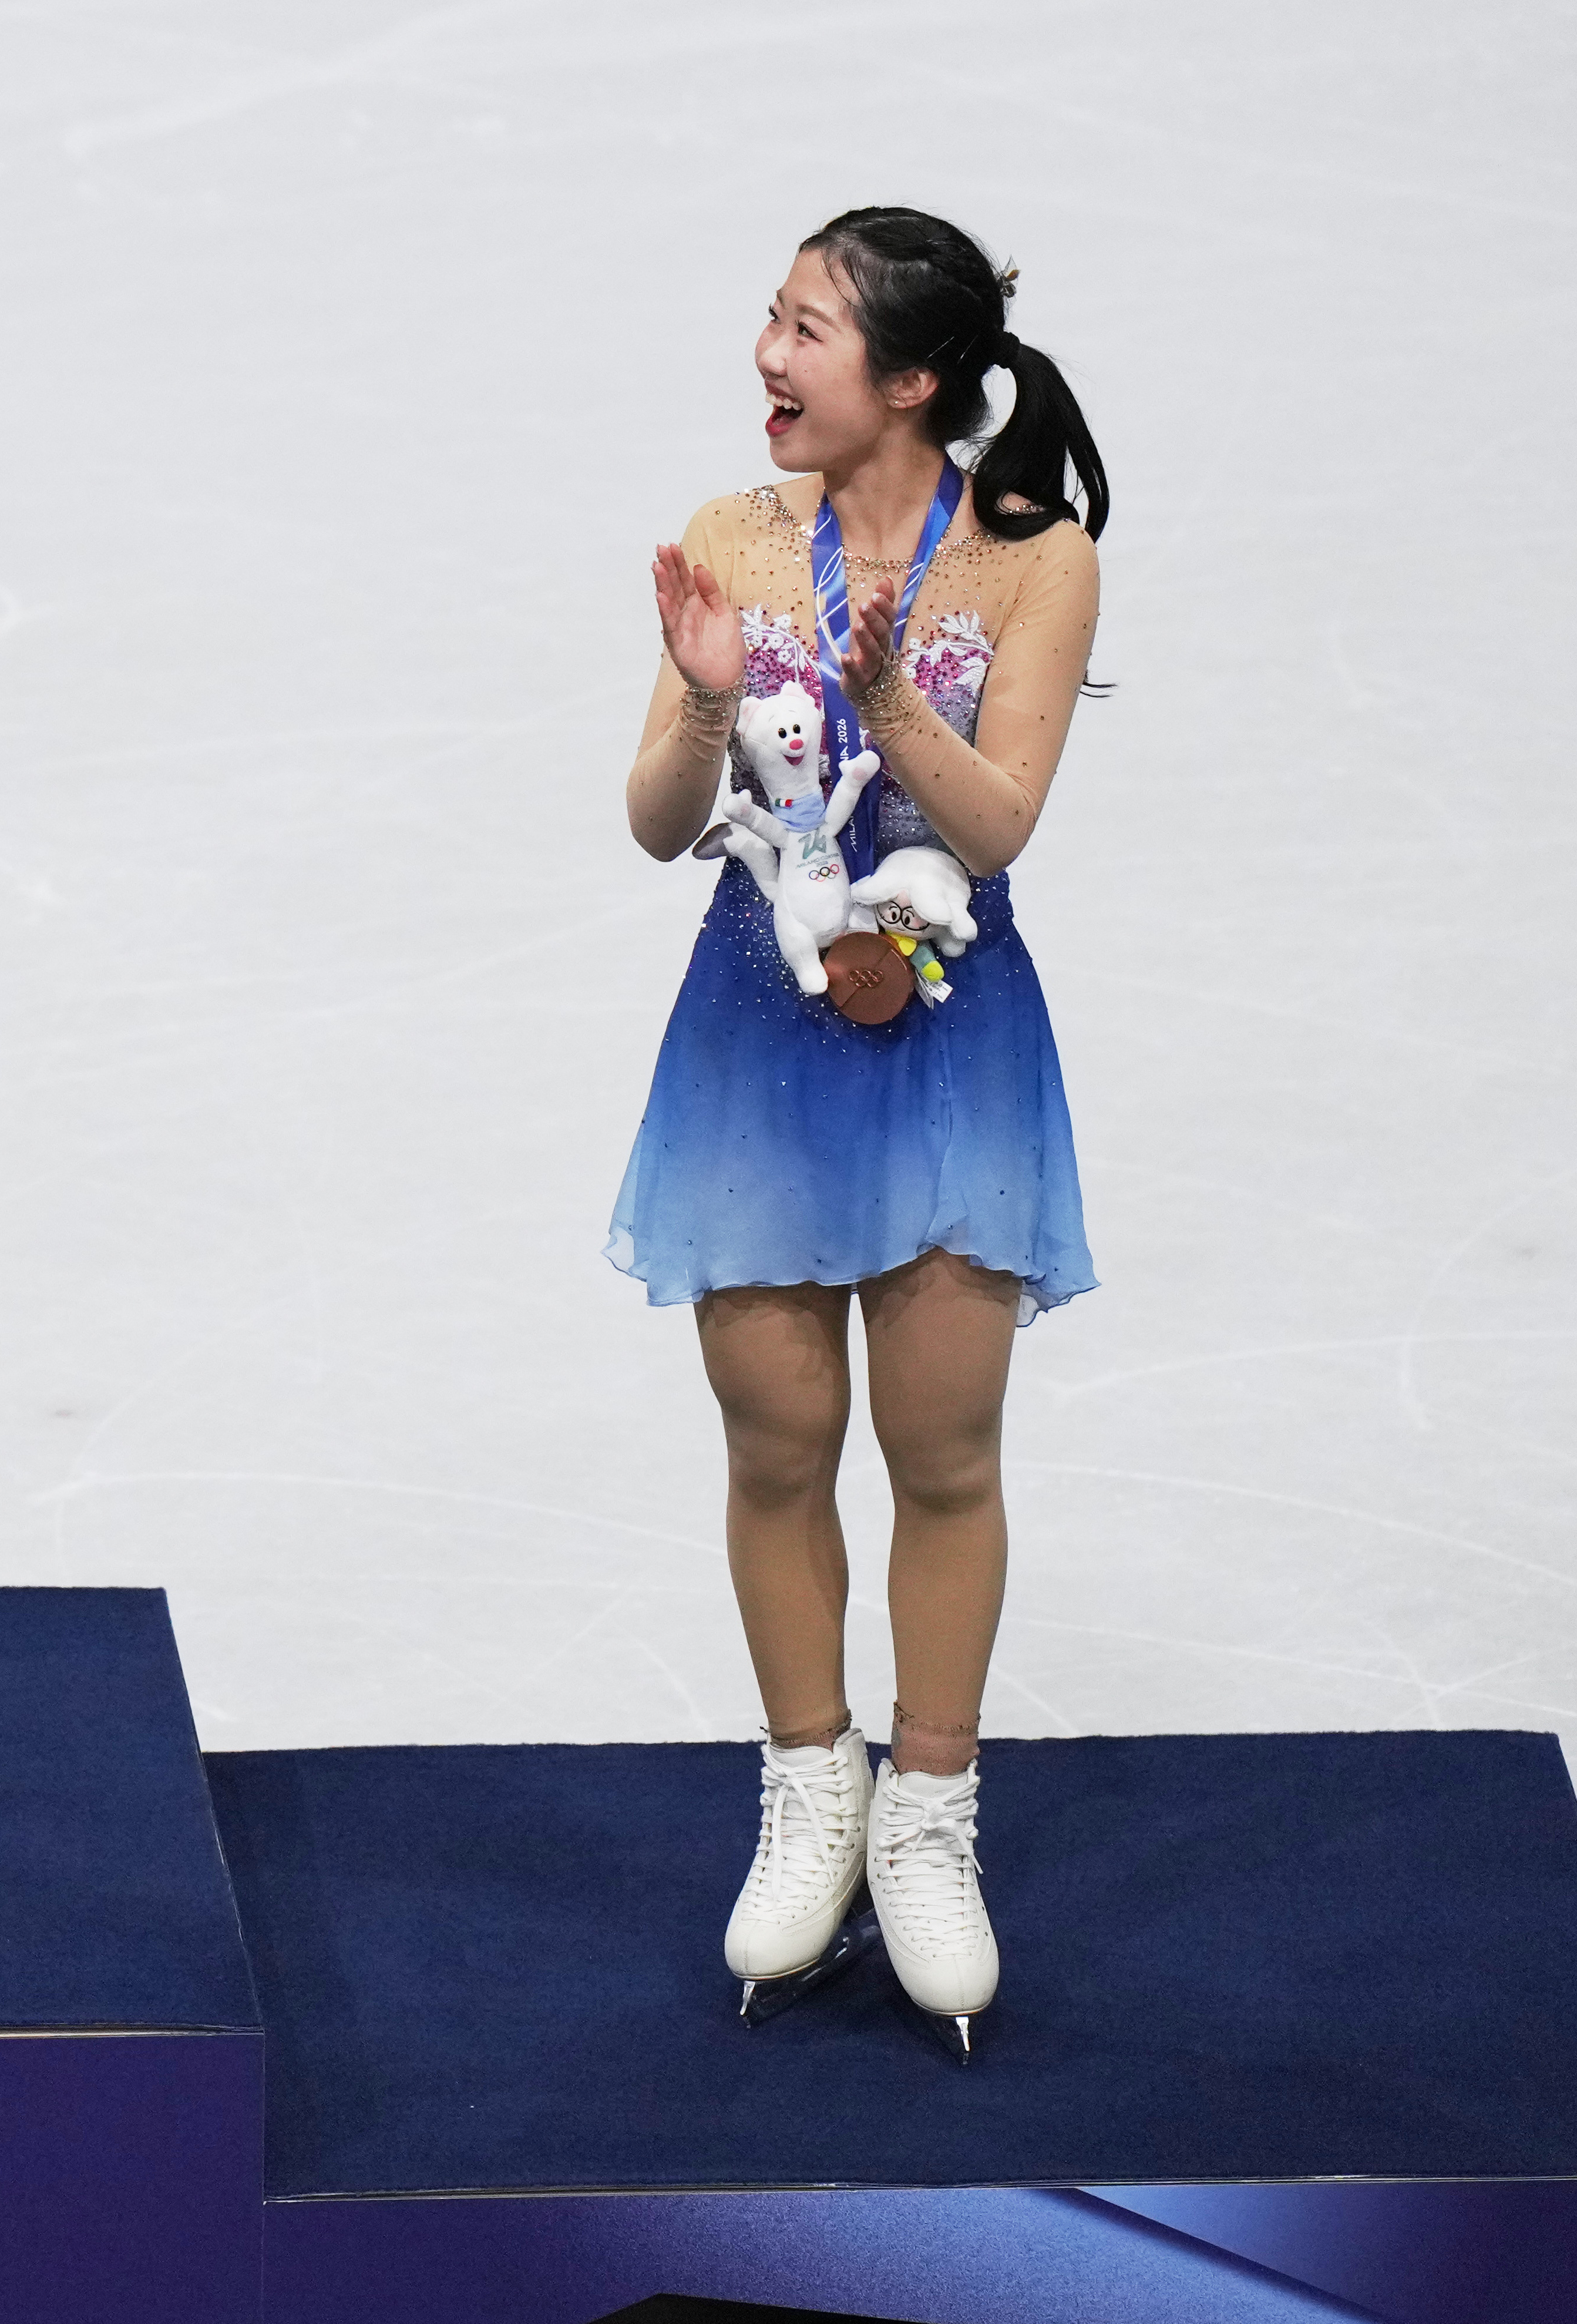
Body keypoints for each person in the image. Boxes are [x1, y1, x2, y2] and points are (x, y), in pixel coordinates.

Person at [616, 206, 1109, 2057]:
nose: (766, 353)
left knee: (942, 1449)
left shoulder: (1031, 558)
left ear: (907, 379)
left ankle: (928, 1805)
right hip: (755, 1042)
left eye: (805, 327)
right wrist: (704, 696)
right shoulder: (734, 537)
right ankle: (806, 1783)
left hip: (947, 1053)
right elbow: (661, 823)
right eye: (770, 313)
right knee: (777, 1444)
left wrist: (885, 691)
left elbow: (992, 832)